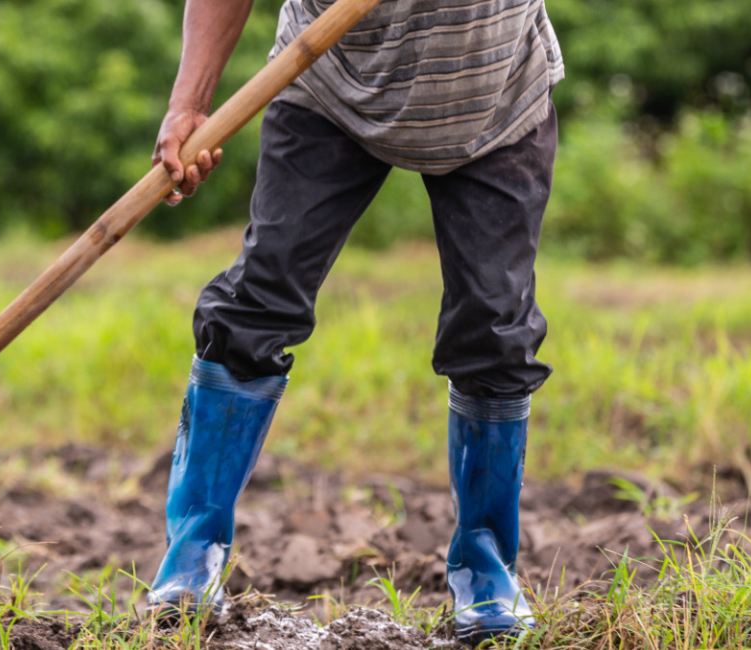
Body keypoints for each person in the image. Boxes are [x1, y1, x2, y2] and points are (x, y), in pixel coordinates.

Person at [144, 0, 563, 643]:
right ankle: (190, 559)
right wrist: (189, 103)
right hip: (330, 85)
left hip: (495, 95)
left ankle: (487, 571)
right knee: (258, 304)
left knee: (495, 329)